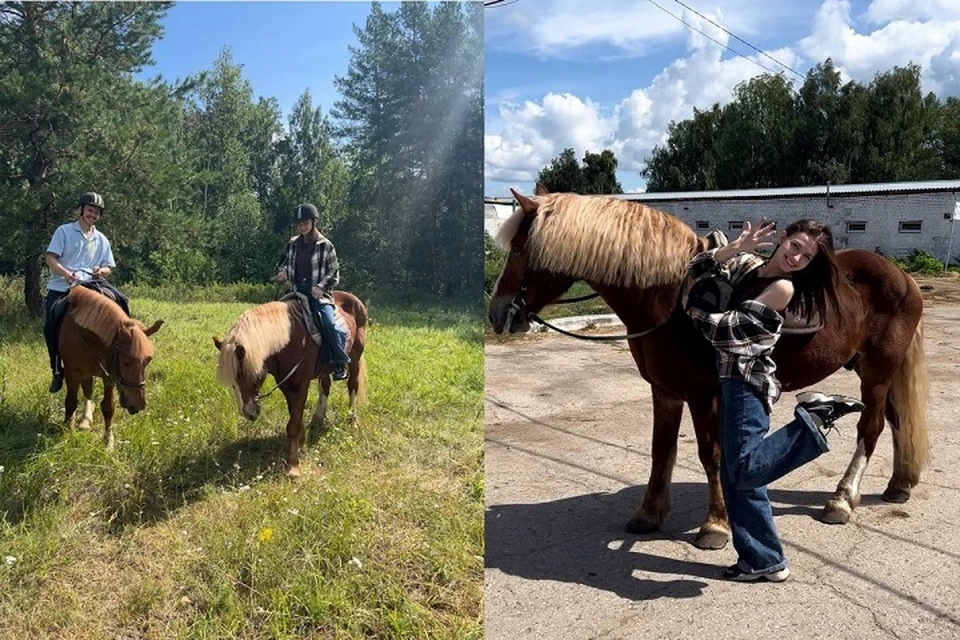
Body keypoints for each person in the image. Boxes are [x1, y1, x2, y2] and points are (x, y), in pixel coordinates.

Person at [684, 218, 865, 583]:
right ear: (782, 239)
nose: (797, 258)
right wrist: (734, 249)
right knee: (740, 482)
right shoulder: (749, 265)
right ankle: (764, 560)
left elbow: (722, 331)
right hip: (731, 380)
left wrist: (694, 303)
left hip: (748, 384)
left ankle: (811, 424)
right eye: (795, 246)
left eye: (807, 256)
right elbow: (695, 268)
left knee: (742, 471)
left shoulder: (782, 288)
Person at [44, 192, 128, 393]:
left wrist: (102, 271)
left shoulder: (101, 239)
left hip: (93, 284)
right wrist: (65, 273)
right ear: (81, 210)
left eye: (97, 212)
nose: (93, 214)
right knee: (50, 323)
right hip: (63, 286)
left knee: (122, 300)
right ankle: (57, 369)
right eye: (90, 210)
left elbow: (109, 266)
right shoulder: (64, 232)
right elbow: (50, 258)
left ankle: (124, 352)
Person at [275, 203, 349, 381]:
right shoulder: (292, 244)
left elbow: (334, 272)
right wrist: (281, 272)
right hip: (294, 292)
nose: (302, 226)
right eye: (299, 223)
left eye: (306, 222)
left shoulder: (326, 245)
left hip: (318, 295)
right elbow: (282, 263)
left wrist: (321, 287)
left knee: (330, 325)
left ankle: (339, 362)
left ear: (314, 222)